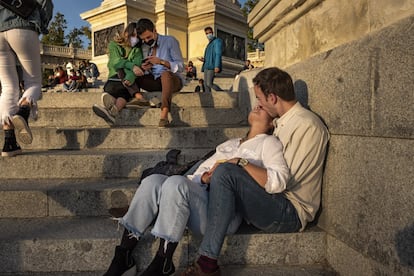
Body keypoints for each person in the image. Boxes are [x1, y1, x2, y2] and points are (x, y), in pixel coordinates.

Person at [103, 106, 290, 276]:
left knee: (176, 184)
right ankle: (124, 255)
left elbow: (278, 180)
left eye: (263, 107)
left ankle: (163, 261)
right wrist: (204, 178)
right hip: (198, 197)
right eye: (256, 103)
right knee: (152, 181)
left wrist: (242, 164)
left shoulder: (269, 143)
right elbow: (198, 173)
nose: (256, 106)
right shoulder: (230, 143)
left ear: (272, 122)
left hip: (223, 213)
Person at [182, 67, 330, 276]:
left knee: (227, 171)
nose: (258, 104)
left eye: (260, 98)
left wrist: (241, 165)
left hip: (290, 211)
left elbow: (282, 182)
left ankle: (207, 262)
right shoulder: (283, 123)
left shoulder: (307, 125)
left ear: (272, 97)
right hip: (272, 199)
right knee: (225, 170)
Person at [0, 0, 53, 157]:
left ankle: (9, 143)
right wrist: (41, 25)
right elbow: (45, 3)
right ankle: (23, 112)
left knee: (8, 88)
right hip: (23, 26)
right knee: (34, 82)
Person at [131, 18, 185, 128]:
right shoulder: (145, 47)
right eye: (144, 39)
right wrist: (146, 68)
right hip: (156, 80)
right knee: (133, 73)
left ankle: (164, 113)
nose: (146, 41)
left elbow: (181, 66)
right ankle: (139, 99)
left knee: (165, 74)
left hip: (173, 79)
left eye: (148, 37)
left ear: (155, 30)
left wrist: (161, 62)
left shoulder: (170, 40)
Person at [92, 22, 145, 125]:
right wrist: (132, 67)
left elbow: (137, 63)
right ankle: (112, 111)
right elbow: (115, 63)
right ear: (126, 33)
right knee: (120, 90)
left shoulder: (137, 50)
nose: (135, 38)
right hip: (115, 78)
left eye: (138, 36)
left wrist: (130, 77)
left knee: (123, 93)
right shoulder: (114, 45)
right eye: (133, 35)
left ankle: (110, 113)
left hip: (129, 82)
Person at [198, 27, 223, 93]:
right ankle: (208, 100)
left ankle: (222, 93)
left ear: (212, 32)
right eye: (206, 33)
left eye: (209, 32)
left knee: (209, 83)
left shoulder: (217, 41)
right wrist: (203, 60)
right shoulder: (209, 44)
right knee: (206, 85)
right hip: (206, 66)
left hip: (212, 66)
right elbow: (209, 56)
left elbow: (218, 54)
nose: (208, 34)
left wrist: (217, 66)